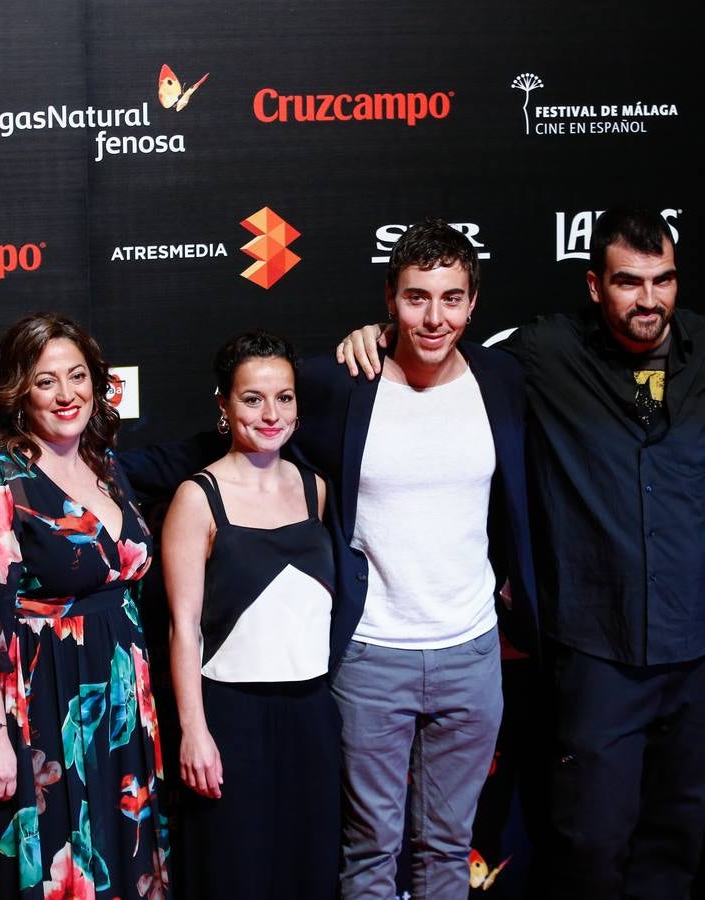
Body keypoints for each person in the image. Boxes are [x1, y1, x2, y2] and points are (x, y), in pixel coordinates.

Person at [337, 209, 705, 898]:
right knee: (589, 844)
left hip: (703, 652)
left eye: (662, 280)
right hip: (597, 652)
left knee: (677, 842)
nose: (649, 300)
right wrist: (381, 336)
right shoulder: (542, 354)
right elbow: (442, 345)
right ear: (594, 285)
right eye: (629, 283)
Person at [301, 218, 538, 900]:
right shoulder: (344, 381)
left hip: (471, 654)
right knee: (370, 849)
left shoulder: (502, 379)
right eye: (416, 298)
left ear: (472, 302)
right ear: (388, 300)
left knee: (446, 849)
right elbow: (244, 417)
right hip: (373, 655)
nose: (434, 318)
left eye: (451, 298)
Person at [0, 313, 169, 899]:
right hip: (44, 704)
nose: (67, 394)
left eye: (77, 376)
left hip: (122, 700)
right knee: (57, 864)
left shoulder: (105, 463)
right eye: (47, 381)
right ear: (19, 391)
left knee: (123, 858)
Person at [162, 330, 339, 899]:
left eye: (284, 397)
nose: (271, 413)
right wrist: (195, 732)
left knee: (305, 871)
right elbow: (183, 627)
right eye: (253, 398)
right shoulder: (198, 496)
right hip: (231, 717)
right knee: (234, 873)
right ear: (224, 404)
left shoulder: (315, 488)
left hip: (312, 714)